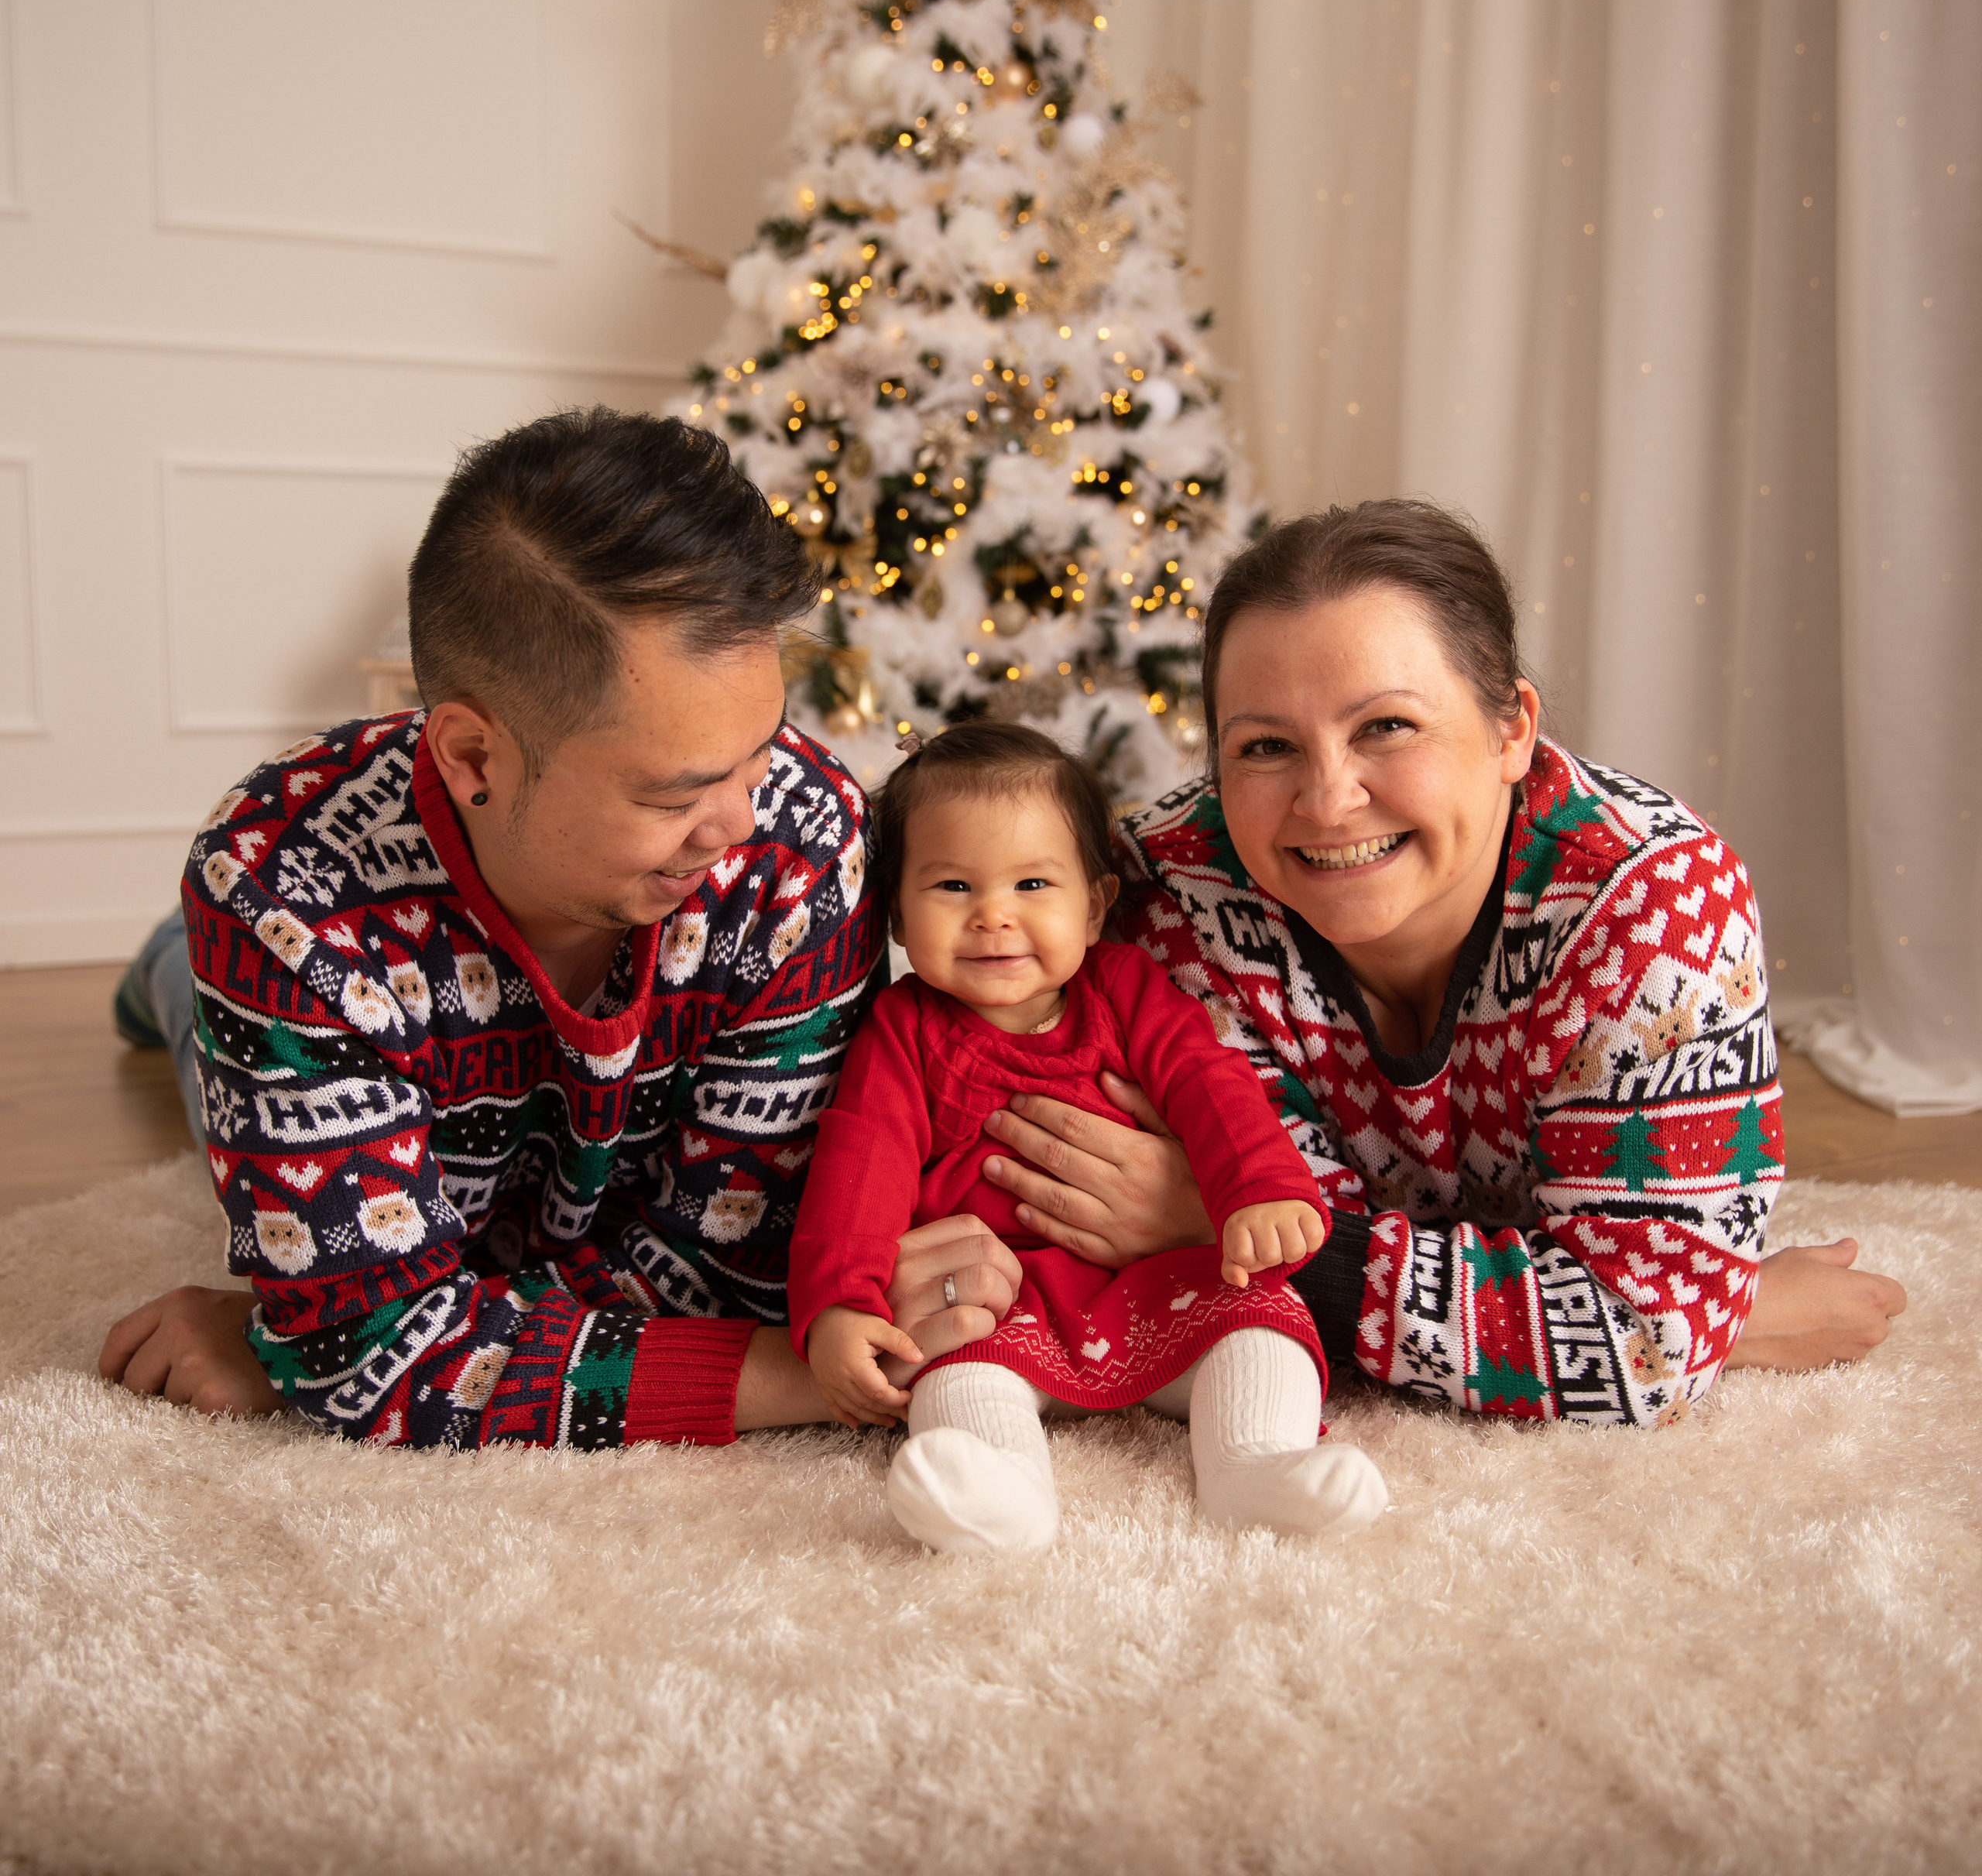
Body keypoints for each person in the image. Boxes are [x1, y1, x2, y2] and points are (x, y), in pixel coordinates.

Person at [98, 409, 1023, 1443]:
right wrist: (814, 1377)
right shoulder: (277, 896)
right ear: (475, 759)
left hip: (510, 1155)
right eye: (676, 796)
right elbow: (369, 1361)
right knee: (202, 1013)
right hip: (283, 971)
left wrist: (400, 1330)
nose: (741, 820)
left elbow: (736, 1267)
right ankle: (175, 970)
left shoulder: (804, 839)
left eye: (758, 750)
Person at [969, 501, 1908, 1422]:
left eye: (1386, 726)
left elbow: (1635, 1350)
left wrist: (1220, 1222)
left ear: (1512, 731)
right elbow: (1123, 1252)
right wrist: (1707, 1318)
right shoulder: (1154, 900)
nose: (1328, 800)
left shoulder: (1654, 909)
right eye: (1265, 747)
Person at [788, 722, 1387, 1552]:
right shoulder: (901, 1028)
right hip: (1002, 1296)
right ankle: (1001, 1492)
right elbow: (861, 1167)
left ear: (1095, 904)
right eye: (953, 886)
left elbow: (1208, 1085)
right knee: (955, 1374)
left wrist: (1261, 1187)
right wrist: (839, 1305)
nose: (994, 915)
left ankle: (1256, 1466)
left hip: (1161, 1281)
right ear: (895, 914)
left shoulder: (1126, 988)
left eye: (1032, 883)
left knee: (1261, 1317)